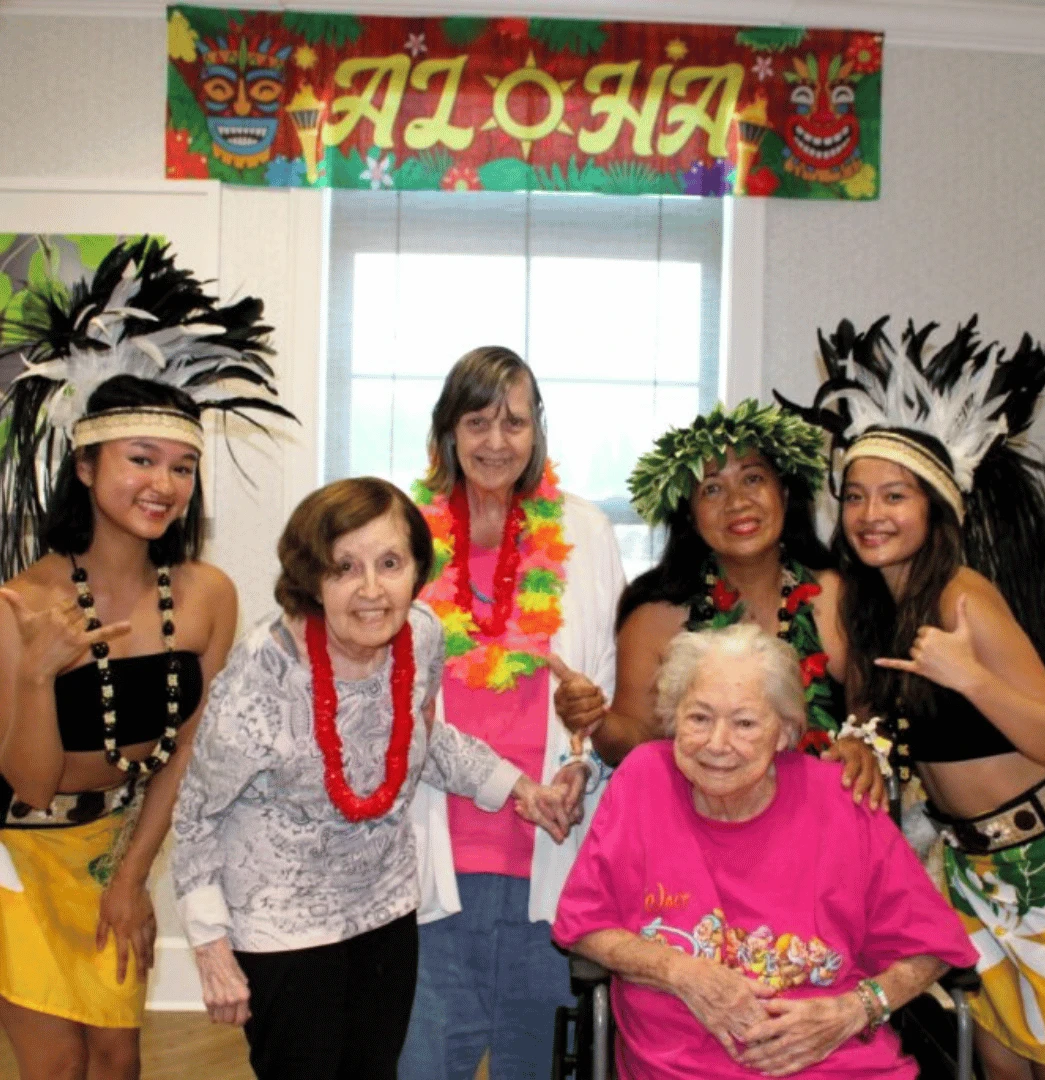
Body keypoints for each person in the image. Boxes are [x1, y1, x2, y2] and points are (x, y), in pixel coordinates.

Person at [0, 238, 291, 1080]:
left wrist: (131, 877)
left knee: (118, 1060)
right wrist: (36, 673)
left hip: (117, 842)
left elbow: (190, 748)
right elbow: (29, 786)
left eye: (183, 467)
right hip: (19, 856)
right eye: (140, 460)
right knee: (58, 1067)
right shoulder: (21, 605)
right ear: (86, 465)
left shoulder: (207, 596)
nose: (164, 484)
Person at [171, 476, 573, 1080]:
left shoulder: (422, 635)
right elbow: (197, 815)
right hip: (282, 923)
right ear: (311, 578)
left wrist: (519, 788)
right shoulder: (264, 673)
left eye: (390, 564)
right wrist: (210, 946)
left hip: (385, 911)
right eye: (344, 567)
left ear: (417, 570)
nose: (371, 590)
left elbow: (421, 738)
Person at [791, 315, 1045, 1080]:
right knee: (998, 1069)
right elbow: (871, 726)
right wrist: (856, 744)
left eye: (895, 495)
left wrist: (971, 677)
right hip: (964, 873)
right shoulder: (871, 608)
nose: (871, 514)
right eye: (856, 496)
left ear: (936, 506)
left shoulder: (963, 596)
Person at [552, 623, 977, 1079]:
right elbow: (584, 925)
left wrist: (855, 1010)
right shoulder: (645, 780)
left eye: (745, 723)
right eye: (699, 718)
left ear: (784, 732)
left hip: (837, 1063)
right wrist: (680, 973)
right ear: (674, 718)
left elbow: (933, 946)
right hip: (685, 1067)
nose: (717, 744)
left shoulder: (840, 800)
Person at [398, 346, 625, 1080]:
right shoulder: (404, 534)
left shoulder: (585, 530)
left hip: (550, 852)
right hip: (431, 859)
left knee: (538, 1064)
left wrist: (582, 760)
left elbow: (605, 680)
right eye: (477, 422)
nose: (496, 441)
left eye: (514, 422)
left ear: (538, 430)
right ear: (447, 431)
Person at [554, 399, 885, 807]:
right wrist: (596, 721)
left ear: (784, 492)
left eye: (753, 479)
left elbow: (875, 716)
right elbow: (635, 744)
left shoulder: (839, 596)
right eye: (712, 488)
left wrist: (861, 745)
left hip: (822, 825)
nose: (737, 502)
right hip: (700, 827)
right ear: (690, 515)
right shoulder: (654, 618)